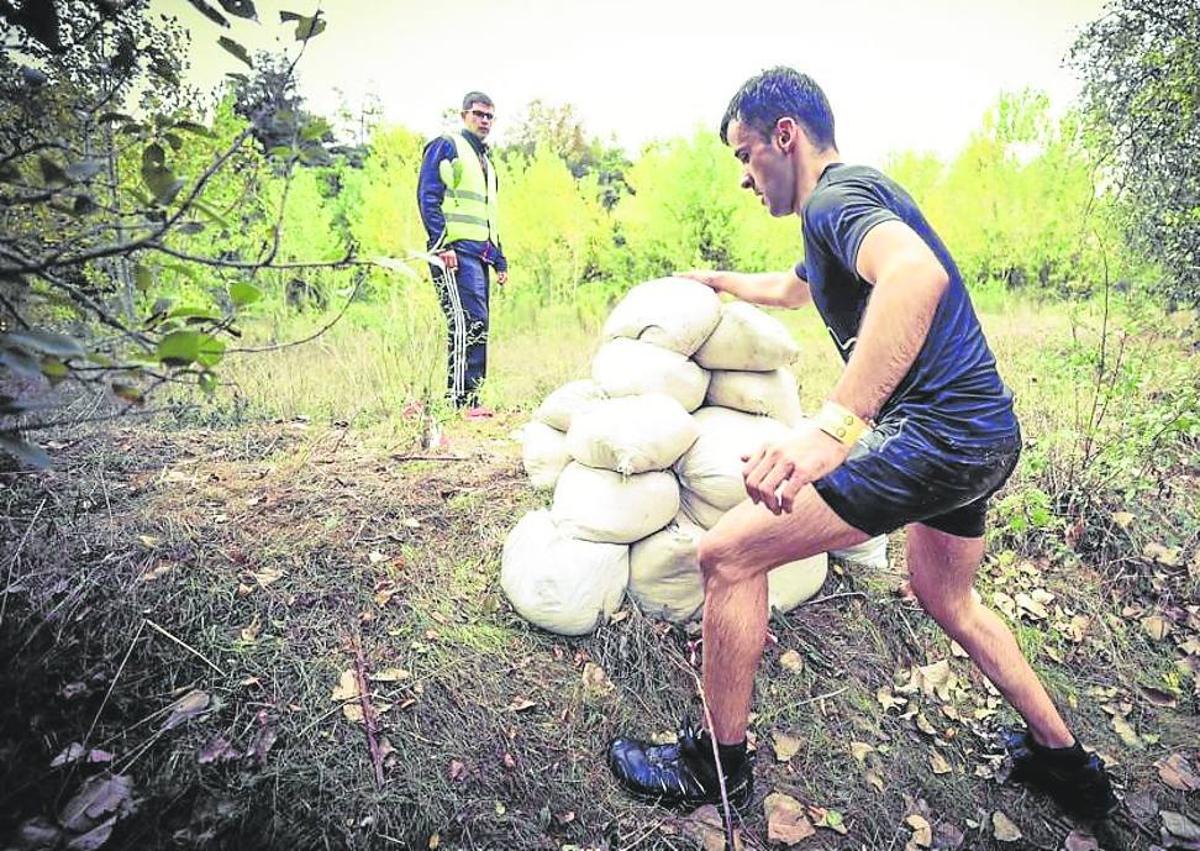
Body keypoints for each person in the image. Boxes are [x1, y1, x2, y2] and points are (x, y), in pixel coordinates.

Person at [607, 67, 1117, 821]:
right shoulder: (849, 207)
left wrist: (833, 427)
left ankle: (715, 768)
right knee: (948, 597)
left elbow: (914, 277)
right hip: (984, 437)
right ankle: (1069, 766)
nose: (744, 178)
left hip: (937, 437)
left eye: (745, 154)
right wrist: (712, 279)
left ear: (786, 135)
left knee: (727, 553)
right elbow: (795, 289)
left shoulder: (837, 200)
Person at [417, 91, 508, 418]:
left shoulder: (486, 160)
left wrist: (499, 258)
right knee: (464, 322)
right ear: (463, 115)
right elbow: (428, 196)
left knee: (479, 323)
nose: (484, 120)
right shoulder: (447, 145)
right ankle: (459, 401)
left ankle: (472, 398)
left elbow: (487, 214)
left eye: (489, 116)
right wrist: (441, 244)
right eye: (479, 114)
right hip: (452, 252)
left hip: (478, 255)